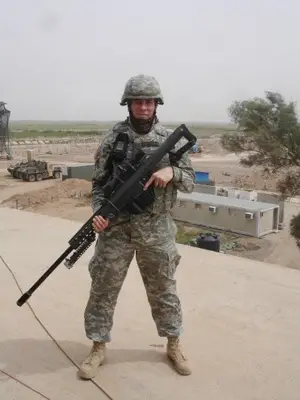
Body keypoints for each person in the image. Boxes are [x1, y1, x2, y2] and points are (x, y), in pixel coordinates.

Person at [78, 74, 196, 379]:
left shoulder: (171, 139)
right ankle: (97, 347)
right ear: (128, 104)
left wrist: (172, 171)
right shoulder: (112, 139)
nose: (143, 106)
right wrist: (98, 214)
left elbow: (191, 181)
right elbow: (99, 184)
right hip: (116, 228)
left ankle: (173, 344)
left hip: (156, 228)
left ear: (156, 104)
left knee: (164, 290)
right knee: (103, 288)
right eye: (137, 101)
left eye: (149, 101)